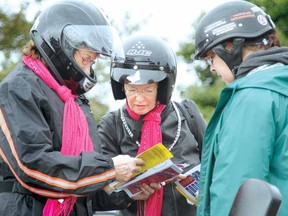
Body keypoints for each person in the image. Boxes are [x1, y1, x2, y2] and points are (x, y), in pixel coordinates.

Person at [0, 1, 146, 215]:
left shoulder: (74, 101)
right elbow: (32, 167)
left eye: (92, 63)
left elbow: (83, 188)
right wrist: (108, 169)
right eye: (87, 59)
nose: (89, 68)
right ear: (60, 43)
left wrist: (128, 192)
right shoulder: (19, 88)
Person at [194, 1, 288, 215]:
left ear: (230, 47)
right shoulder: (280, 86)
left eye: (211, 58)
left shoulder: (252, 97)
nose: (213, 68)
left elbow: (238, 188)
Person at [97, 34, 207, 216]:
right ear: (121, 87)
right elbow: (102, 184)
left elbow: (214, 162)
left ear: (162, 87)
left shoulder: (187, 114)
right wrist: (129, 190)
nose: (139, 98)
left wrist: (194, 180)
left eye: (148, 90)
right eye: (132, 89)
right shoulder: (111, 124)